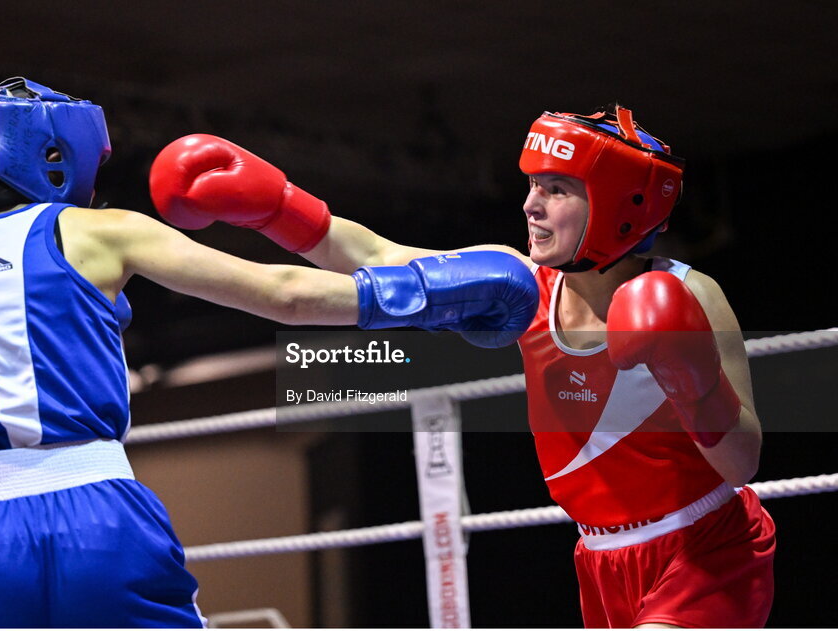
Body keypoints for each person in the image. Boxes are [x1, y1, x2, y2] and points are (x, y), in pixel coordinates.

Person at [0, 77, 538, 628]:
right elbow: (284, 292)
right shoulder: (101, 230)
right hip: (98, 516)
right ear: (54, 155)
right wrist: (425, 295)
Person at [147, 105, 777, 628]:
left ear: (618, 203)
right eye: (532, 185)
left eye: (556, 190)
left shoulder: (691, 295)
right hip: (599, 556)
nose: (531, 205)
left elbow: (742, 462)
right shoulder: (523, 288)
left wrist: (693, 383)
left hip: (707, 547)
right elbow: (380, 255)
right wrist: (274, 204)